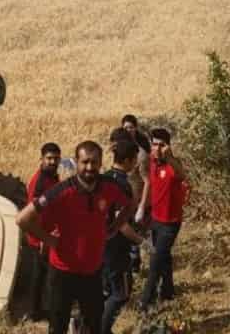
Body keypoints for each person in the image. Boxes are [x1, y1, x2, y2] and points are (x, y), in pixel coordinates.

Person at [17, 141, 134, 334]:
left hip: (92, 272)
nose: (89, 167)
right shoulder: (61, 191)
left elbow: (131, 204)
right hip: (63, 273)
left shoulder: (109, 187)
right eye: (85, 162)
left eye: (94, 162)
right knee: (58, 327)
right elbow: (22, 219)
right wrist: (47, 239)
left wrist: (115, 227)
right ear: (76, 163)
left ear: (101, 163)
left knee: (94, 325)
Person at [139, 127, 190, 312]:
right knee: (164, 257)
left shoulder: (172, 165)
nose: (157, 149)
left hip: (170, 223)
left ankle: (146, 304)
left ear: (168, 147)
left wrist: (169, 158)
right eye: (155, 145)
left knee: (155, 262)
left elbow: (182, 175)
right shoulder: (152, 161)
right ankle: (168, 292)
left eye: (162, 145)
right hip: (155, 219)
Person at [102, 138, 144, 334]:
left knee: (107, 290)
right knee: (121, 293)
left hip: (101, 245)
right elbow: (122, 223)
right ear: (127, 160)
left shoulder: (104, 177)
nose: (136, 163)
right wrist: (141, 242)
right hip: (116, 248)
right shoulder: (121, 184)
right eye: (135, 159)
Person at [23, 143, 63, 320]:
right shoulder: (40, 182)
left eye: (55, 158)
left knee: (42, 274)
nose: (53, 161)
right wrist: (41, 240)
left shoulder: (52, 177)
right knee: (40, 276)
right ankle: (35, 311)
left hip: (46, 235)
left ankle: (38, 309)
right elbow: (32, 214)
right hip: (39, 237)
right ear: (41, 159)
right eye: (49, 158)